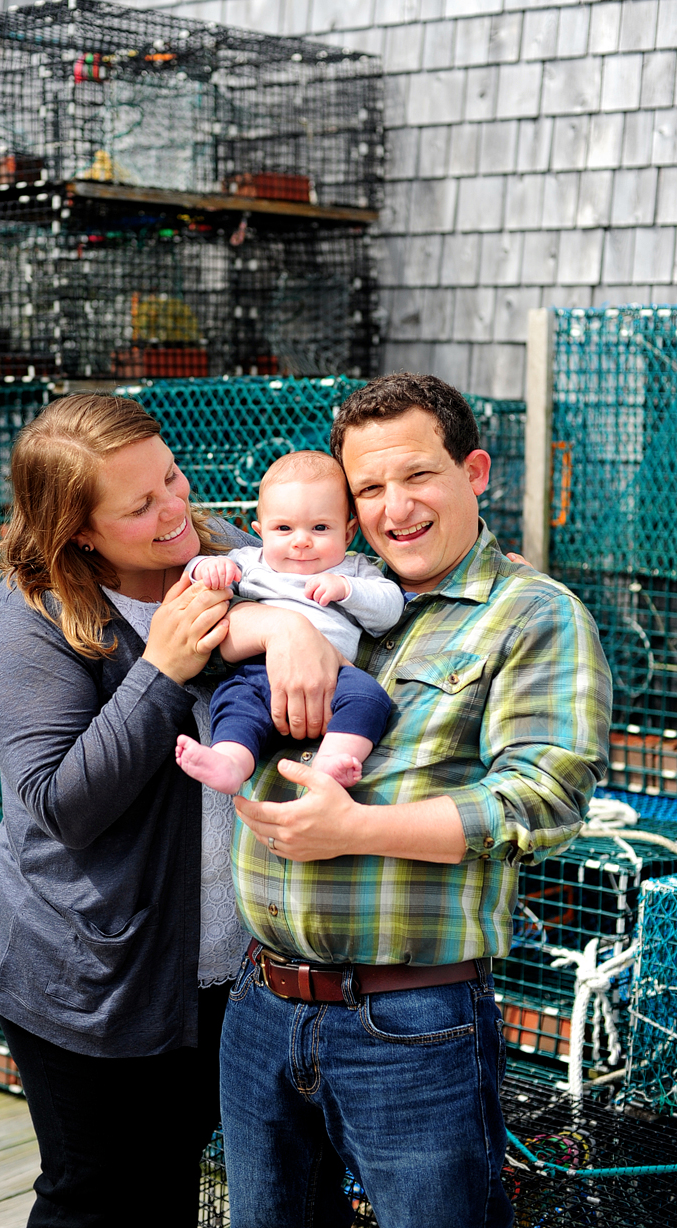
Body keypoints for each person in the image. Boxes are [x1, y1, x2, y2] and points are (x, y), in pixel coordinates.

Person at [218, 373, 613, 1228]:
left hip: (411, 1020)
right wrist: (274, 626)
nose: (395, 507)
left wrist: (356, 828)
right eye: (368, 488)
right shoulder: (323, 582)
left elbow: (541, 801)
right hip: (261, 1002)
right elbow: (192, 627)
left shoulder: (532, 615)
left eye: (418, 476)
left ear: (473, 471)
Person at [0, 393, 340, 1228]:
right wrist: (161, 668)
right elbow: (64, 806)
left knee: (172, 1180)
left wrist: (290, 623)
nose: (176, 509)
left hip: (227, 964)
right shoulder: (26, 629)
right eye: (141, 504)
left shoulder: (235, 555)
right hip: (86, 971)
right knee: (96, 1195)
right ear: (79, 531)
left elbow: (340, 595)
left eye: (170, 476)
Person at [175, 450, 403, 793]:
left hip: (335, 677)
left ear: (348, 532)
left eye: (321, 527)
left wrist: (347, 590)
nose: (301, 540)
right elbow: (193, 575)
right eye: (283, 528)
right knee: (235, 704)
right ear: (258, 531)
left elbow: (390, 608)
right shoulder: (251, 562)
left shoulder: (354, 570)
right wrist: (206, 569)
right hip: (256, 673)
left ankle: (332, 761)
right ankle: (230, 762)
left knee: (370, 698)